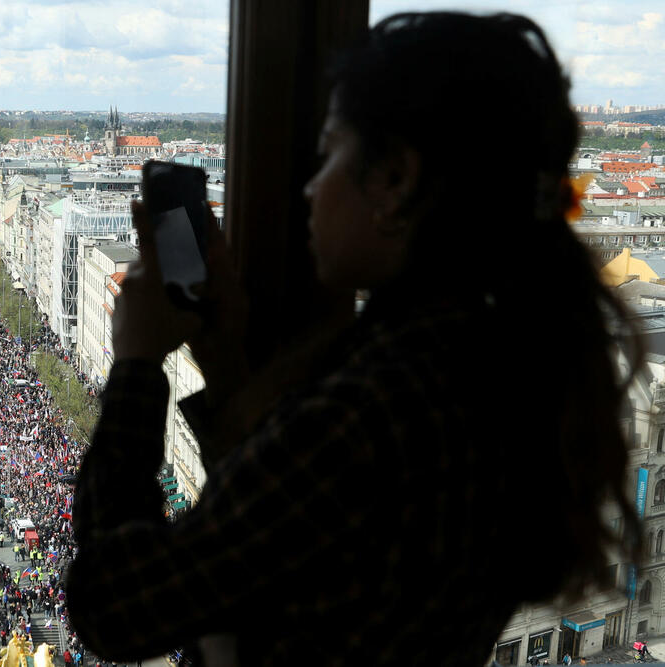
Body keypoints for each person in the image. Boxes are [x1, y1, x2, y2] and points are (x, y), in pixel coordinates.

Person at [64, 11, 644, 667]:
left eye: (330, 153)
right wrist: (225, 358)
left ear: (396, 179)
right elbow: (284, 541)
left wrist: (138, 364)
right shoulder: (496, 363)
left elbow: (113, 606)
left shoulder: (378, 409)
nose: (309, 188)